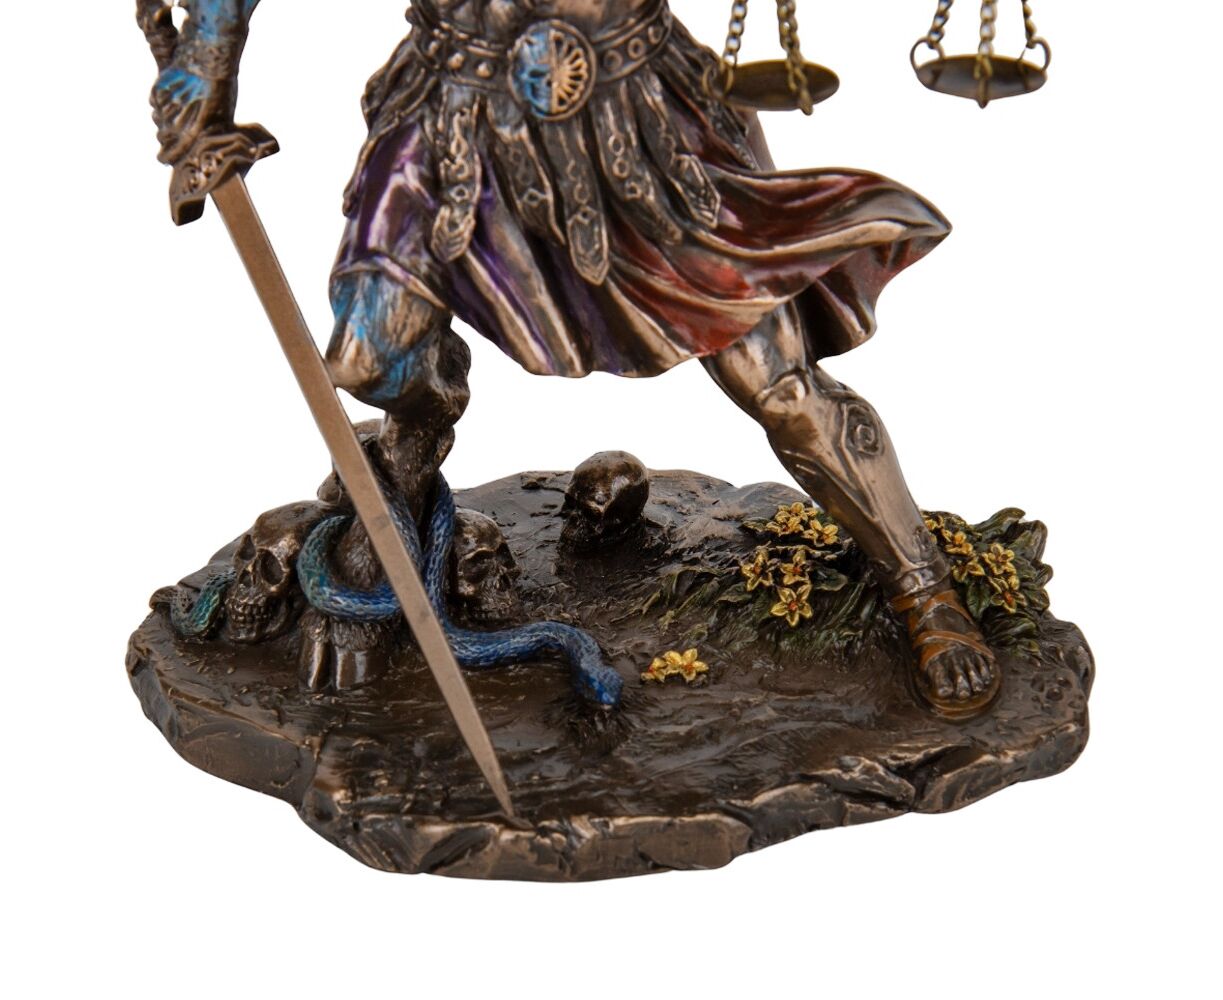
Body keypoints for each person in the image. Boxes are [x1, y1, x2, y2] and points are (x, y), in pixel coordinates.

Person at [149, 0, 1000, 716]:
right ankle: (407, 468)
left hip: (636, 111)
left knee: (776, 385)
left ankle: (922, 590)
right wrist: (209, 52)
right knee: (370, 360)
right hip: (451, 112)